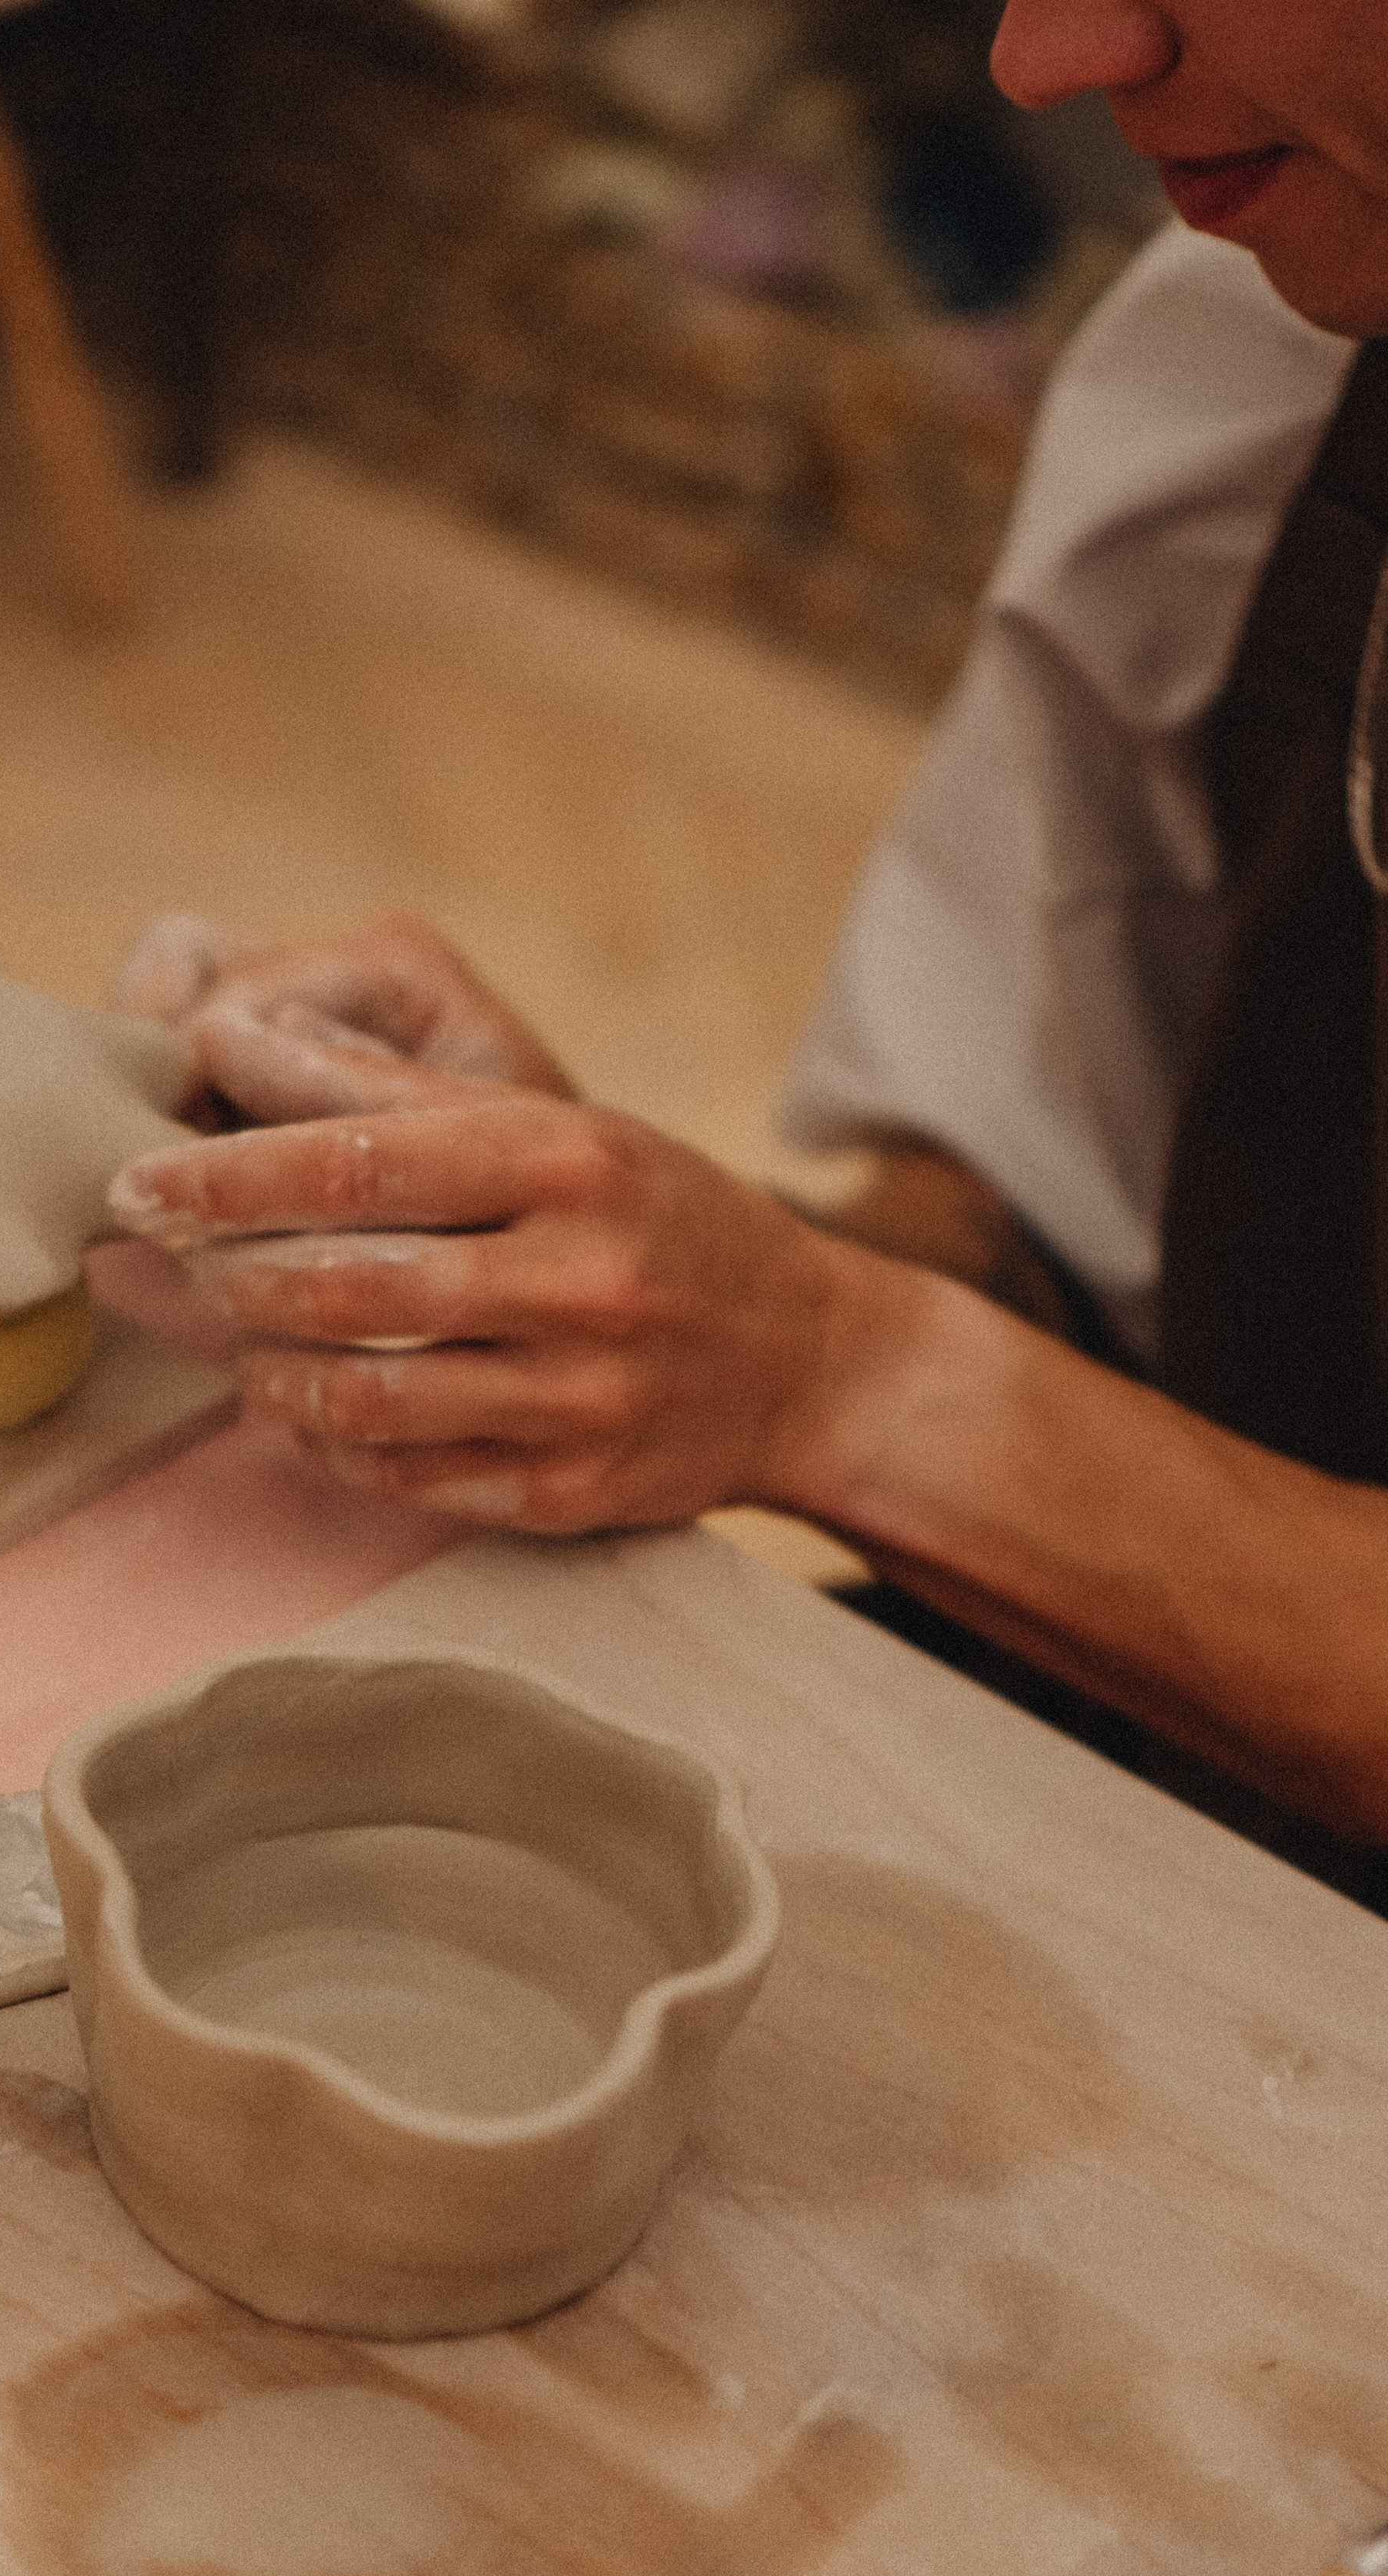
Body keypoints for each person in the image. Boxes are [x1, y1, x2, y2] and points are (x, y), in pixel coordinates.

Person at [103, 0, 1388, 1890]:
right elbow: (1061, 1221)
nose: (1048, 61)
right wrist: (601, 1257)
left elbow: (888, 1366)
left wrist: (829, 1377)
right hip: (1147, 1764)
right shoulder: (1268, 342)